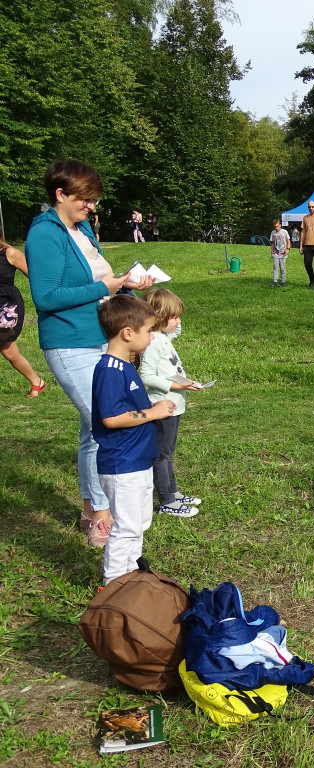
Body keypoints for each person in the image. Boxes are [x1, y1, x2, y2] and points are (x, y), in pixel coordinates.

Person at [26, 159, 154, 547]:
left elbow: (100, 278)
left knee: (91, 428)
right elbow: (46, 296)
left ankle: (90, 511)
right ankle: (102, 515)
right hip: (70, 343)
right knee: (104, 422)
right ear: (60, 194)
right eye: (85, 198)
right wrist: (104, 289)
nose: (91, 206)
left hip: (100, 337)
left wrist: (126, 284)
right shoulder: (44, 235)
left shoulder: (81, 230)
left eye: (93, 199)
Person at [93, 295, 177, 583]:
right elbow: (111, 418)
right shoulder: (109, 370)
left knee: (139, 523)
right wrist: (152, 413)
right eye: (149, 330)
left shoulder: (126, 364)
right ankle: (114, 585)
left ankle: (131, 576)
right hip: (122, 464)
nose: (152, 337)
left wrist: (152, 409)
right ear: (128, 333)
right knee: (126, 527)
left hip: (138, 461)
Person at [139, 289, 203, 518]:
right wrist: (176, 386)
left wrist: (171, 313)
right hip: (162, 406)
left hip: (174, 407)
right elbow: (146, 376)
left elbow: (176, 329)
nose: (178, 322)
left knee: (167, 453)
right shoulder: (152, 342)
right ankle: (167, 501)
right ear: (159, 317)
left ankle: (173, 493)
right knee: (161, 456)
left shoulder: (163, 337)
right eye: (174, 317)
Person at [0, 233, 47, 397]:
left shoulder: (10, 253)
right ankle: (37, 381)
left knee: (8, 351)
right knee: (9, 352)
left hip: (6, 307)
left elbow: (36, 278)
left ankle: (36, 381)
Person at [269, 219, 290, 288]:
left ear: (280, 225)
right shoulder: (273, 233)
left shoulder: (284, 232)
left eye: (277, 226)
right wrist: (271, 250)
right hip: (275, 253)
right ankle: (275, 281)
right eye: (275, 227)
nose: (276, 228)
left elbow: (288, 241)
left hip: (283, 253)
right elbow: (272, 242)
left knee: (282, 268)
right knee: (275, 267)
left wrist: (288, 249)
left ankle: (283, 281)